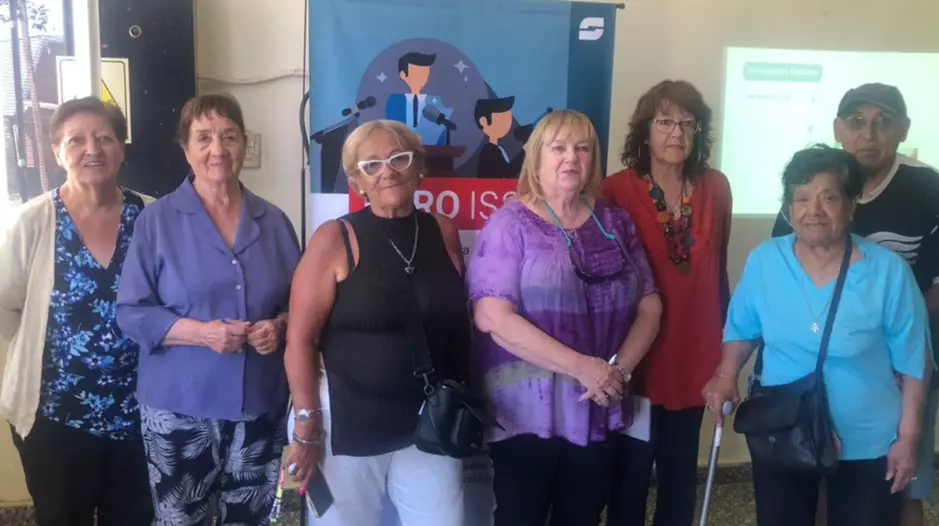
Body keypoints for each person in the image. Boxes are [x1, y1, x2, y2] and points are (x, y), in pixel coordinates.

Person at [704, 144, 931, 526]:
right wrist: (726, 375)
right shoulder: (766, 261)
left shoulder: (888, 272)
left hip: (867, 441)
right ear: (789, 208)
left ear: (851, 205)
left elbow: (914, 362)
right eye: (802, 198)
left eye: (829, 198)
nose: (814, 210)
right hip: (783, 430)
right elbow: (742, 329)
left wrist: (908, 439)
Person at [467, 109, 663, 526]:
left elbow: (650, 304)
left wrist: (618, 372)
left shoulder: (614, 221)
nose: (571, 157)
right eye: (558, 148)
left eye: (582, 148)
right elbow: (492, 317)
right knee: (520, 517)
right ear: (537, 158)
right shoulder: (510, 223)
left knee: (583, 515)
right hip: (525, 414)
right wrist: (583, 368)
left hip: (598, 403)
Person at [116, 94, 301, 524]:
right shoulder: (156, 221)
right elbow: (131, 312)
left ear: (244, 144)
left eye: (229, 136)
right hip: (179, 407)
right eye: (203, 137)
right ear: (186, 149)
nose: (217, 149)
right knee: (182, 519)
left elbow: (302, 303)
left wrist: (280, 325)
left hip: (259, 401)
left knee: (250, 517)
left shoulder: (274, 221)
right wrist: (202, 334)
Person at [283, 119, 470, 526]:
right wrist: (306, 425)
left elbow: (457, 324)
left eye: (399, 158)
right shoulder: (333, 239)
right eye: (371, 165)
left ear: (418, 167)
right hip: (349, 426)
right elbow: (300, 339)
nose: (388, 171)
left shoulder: (442, 231)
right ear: (357, 182)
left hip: (429, 422)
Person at [770, 83, 939, 526]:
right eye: (857, 122)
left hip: (907, 364)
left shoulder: (928, 186)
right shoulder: (812, 183)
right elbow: (784, 271)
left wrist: (890, 344)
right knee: (824, 475)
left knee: (903, 482)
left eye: (883, 122)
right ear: (837, 129)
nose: (869, 134)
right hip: (826, 368)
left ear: (904, 129)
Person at [0, 96, 154, 525]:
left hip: (140, 416)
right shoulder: (32, 221)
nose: (92, 149)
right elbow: (7, 305)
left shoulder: (153, 216)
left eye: (104, 138)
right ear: (57, 152)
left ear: (121, 149)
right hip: (55, 418)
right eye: (76, 140)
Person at [601, 80, 732, 526]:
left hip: (695, 359)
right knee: (630, 480)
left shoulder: (716, 188)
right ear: (645, 130)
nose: (677, 132)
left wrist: (726, 359)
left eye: (688, 123)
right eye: (665, 121)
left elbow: (719, 274)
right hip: (638, 361)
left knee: (679, 482)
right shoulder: (614, 191)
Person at [475, 95, 525, 178]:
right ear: (483, 121)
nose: (508, 123)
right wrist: (524, 151)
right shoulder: (488, 151)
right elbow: (508, 173)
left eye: (508, 119)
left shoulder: (497, 149)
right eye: (502, 118)